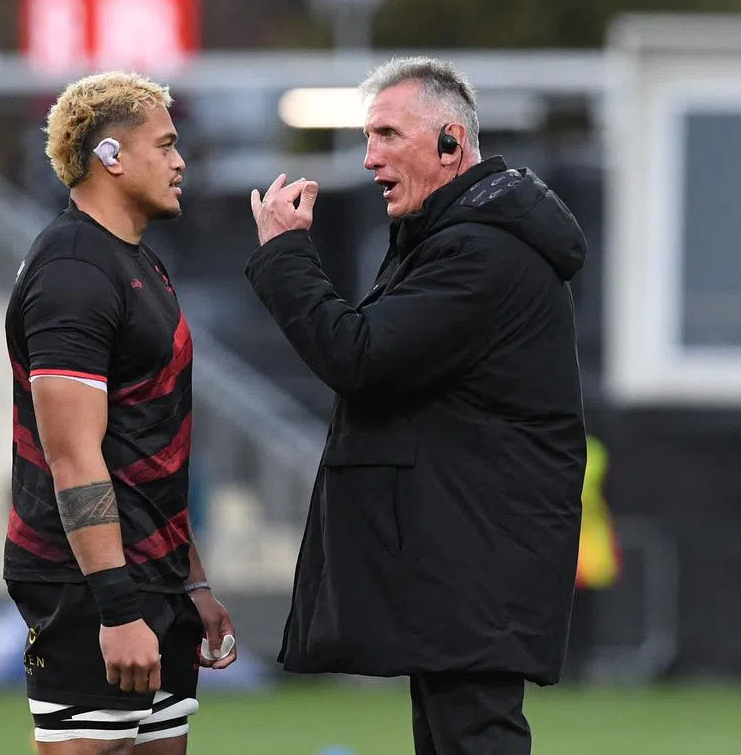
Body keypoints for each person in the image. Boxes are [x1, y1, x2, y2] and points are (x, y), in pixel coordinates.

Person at [245, 56, 588, 755]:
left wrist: (286, 255)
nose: (369, 159)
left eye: (387, 135)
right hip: (465, 555)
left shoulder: (480, 255)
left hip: (476, 561)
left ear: (450, 143)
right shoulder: (458, 241)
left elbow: (358, 357)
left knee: (473, 735)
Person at [4, 71, 237, 755]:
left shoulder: (137, 264)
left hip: (152, 578)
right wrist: (115, 606)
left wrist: (189, 577)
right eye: (164, 145)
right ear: (109, 157)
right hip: (91, 586)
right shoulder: (72, 269)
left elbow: (151, 442)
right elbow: (74, 454)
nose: (179, 161)